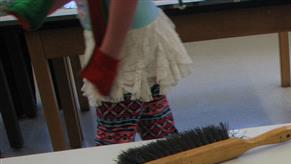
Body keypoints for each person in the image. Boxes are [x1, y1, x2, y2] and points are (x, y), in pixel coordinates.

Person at [2, 0, 192, 144]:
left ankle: (156, 160)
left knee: (115, 133)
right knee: (153, 115)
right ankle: (168, 156)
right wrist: (34, 7)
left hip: (126, 43)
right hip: (132, 36)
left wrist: (108, 57)